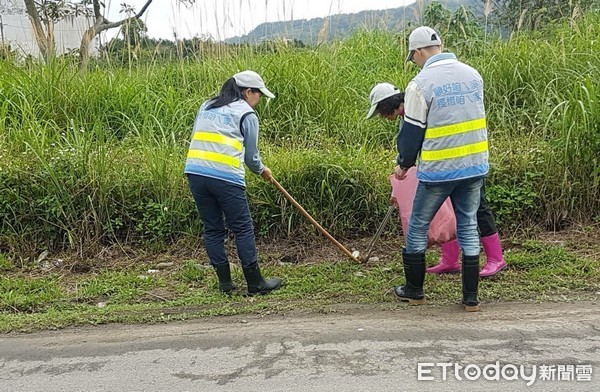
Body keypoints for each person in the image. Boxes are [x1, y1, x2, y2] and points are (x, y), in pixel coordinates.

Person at [392, 26, 490, 312]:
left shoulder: (420, 84)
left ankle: (414, 291)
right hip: (474, 166)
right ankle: (470, 298)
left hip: (439, 171)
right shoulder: (473, 75)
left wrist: (403, 165)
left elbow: (412, 133)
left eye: (414, 57)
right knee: (469, 225)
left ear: (419, 51)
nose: (416, 62)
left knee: (418, 227)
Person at [366, 83, 507, 278]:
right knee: (445, 211)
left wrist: (404, 165)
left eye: (381, 112)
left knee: (478, 208)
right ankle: (450, 261)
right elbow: (410, 151)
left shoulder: (416, 108)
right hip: (439, 169)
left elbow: (411, 150)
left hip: (464, 162)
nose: (383, 117)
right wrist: (397, 188)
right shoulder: (406, 116)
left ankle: (496, 258)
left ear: (387, 105)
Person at [185, 70, 282, 295]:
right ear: (248, 92)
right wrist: (262, 171)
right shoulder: (246, 114)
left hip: (196, 173)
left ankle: (225, 283)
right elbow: (251, 157)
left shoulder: (206, 105)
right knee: (242, 228)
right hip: (226, 177)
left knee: (213, 228)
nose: (259, 101)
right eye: (259, 95)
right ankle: (255, 283)